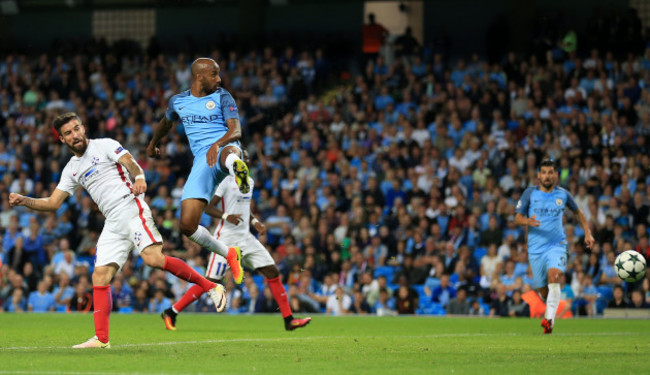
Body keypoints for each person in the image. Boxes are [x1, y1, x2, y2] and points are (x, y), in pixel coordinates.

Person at [9, 112, 227, 349]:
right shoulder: (71, 169)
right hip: (112, 221)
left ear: (83, 128)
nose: (75, 135)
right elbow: (52, 203)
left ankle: (211, 286)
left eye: (76, 129)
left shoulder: (104, 145)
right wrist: (24, 200)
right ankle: (102, 339)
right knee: (99, 276)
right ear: (62, 140)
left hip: (130, 207)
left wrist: (140, 178)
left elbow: (130, 163)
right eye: (68, 133)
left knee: (153, 259)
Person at [160, 167, 311, 331]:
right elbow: (209, 207)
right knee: (210, 281)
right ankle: (171, 312)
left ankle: (289, 320)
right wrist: (226, 216)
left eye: (243, 156)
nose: (242, 159)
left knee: (272, 272)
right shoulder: (225, 180)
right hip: (226, 238)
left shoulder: (250, 182)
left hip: (245, 237)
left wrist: (254, 223)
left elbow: (246, 209)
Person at [147, 57, 247, 286]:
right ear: (199, 76)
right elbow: (166, 122)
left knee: (229, 153)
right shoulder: (179, 101)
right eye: (214, 74)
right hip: (202, 162)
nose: (219, 79)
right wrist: (153, 143)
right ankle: (229, 253)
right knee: (187, 225)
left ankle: (237, 168)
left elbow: (236, 129)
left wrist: (216, 144)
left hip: (223, 146)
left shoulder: (222, 96)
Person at [514, 159, 595, 333]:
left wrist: (587, 232)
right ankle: (549, 312)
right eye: (544, 172)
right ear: (538, 175)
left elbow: (578, 211)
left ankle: (549, 320)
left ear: (556, 175)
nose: (547, 176)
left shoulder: (563, 194)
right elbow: (517, 217)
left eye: (550, 172)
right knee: (545, 292)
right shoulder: (529, 193)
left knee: (555, 275)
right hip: (535, 250)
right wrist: (528, 220)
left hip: (556, 245)